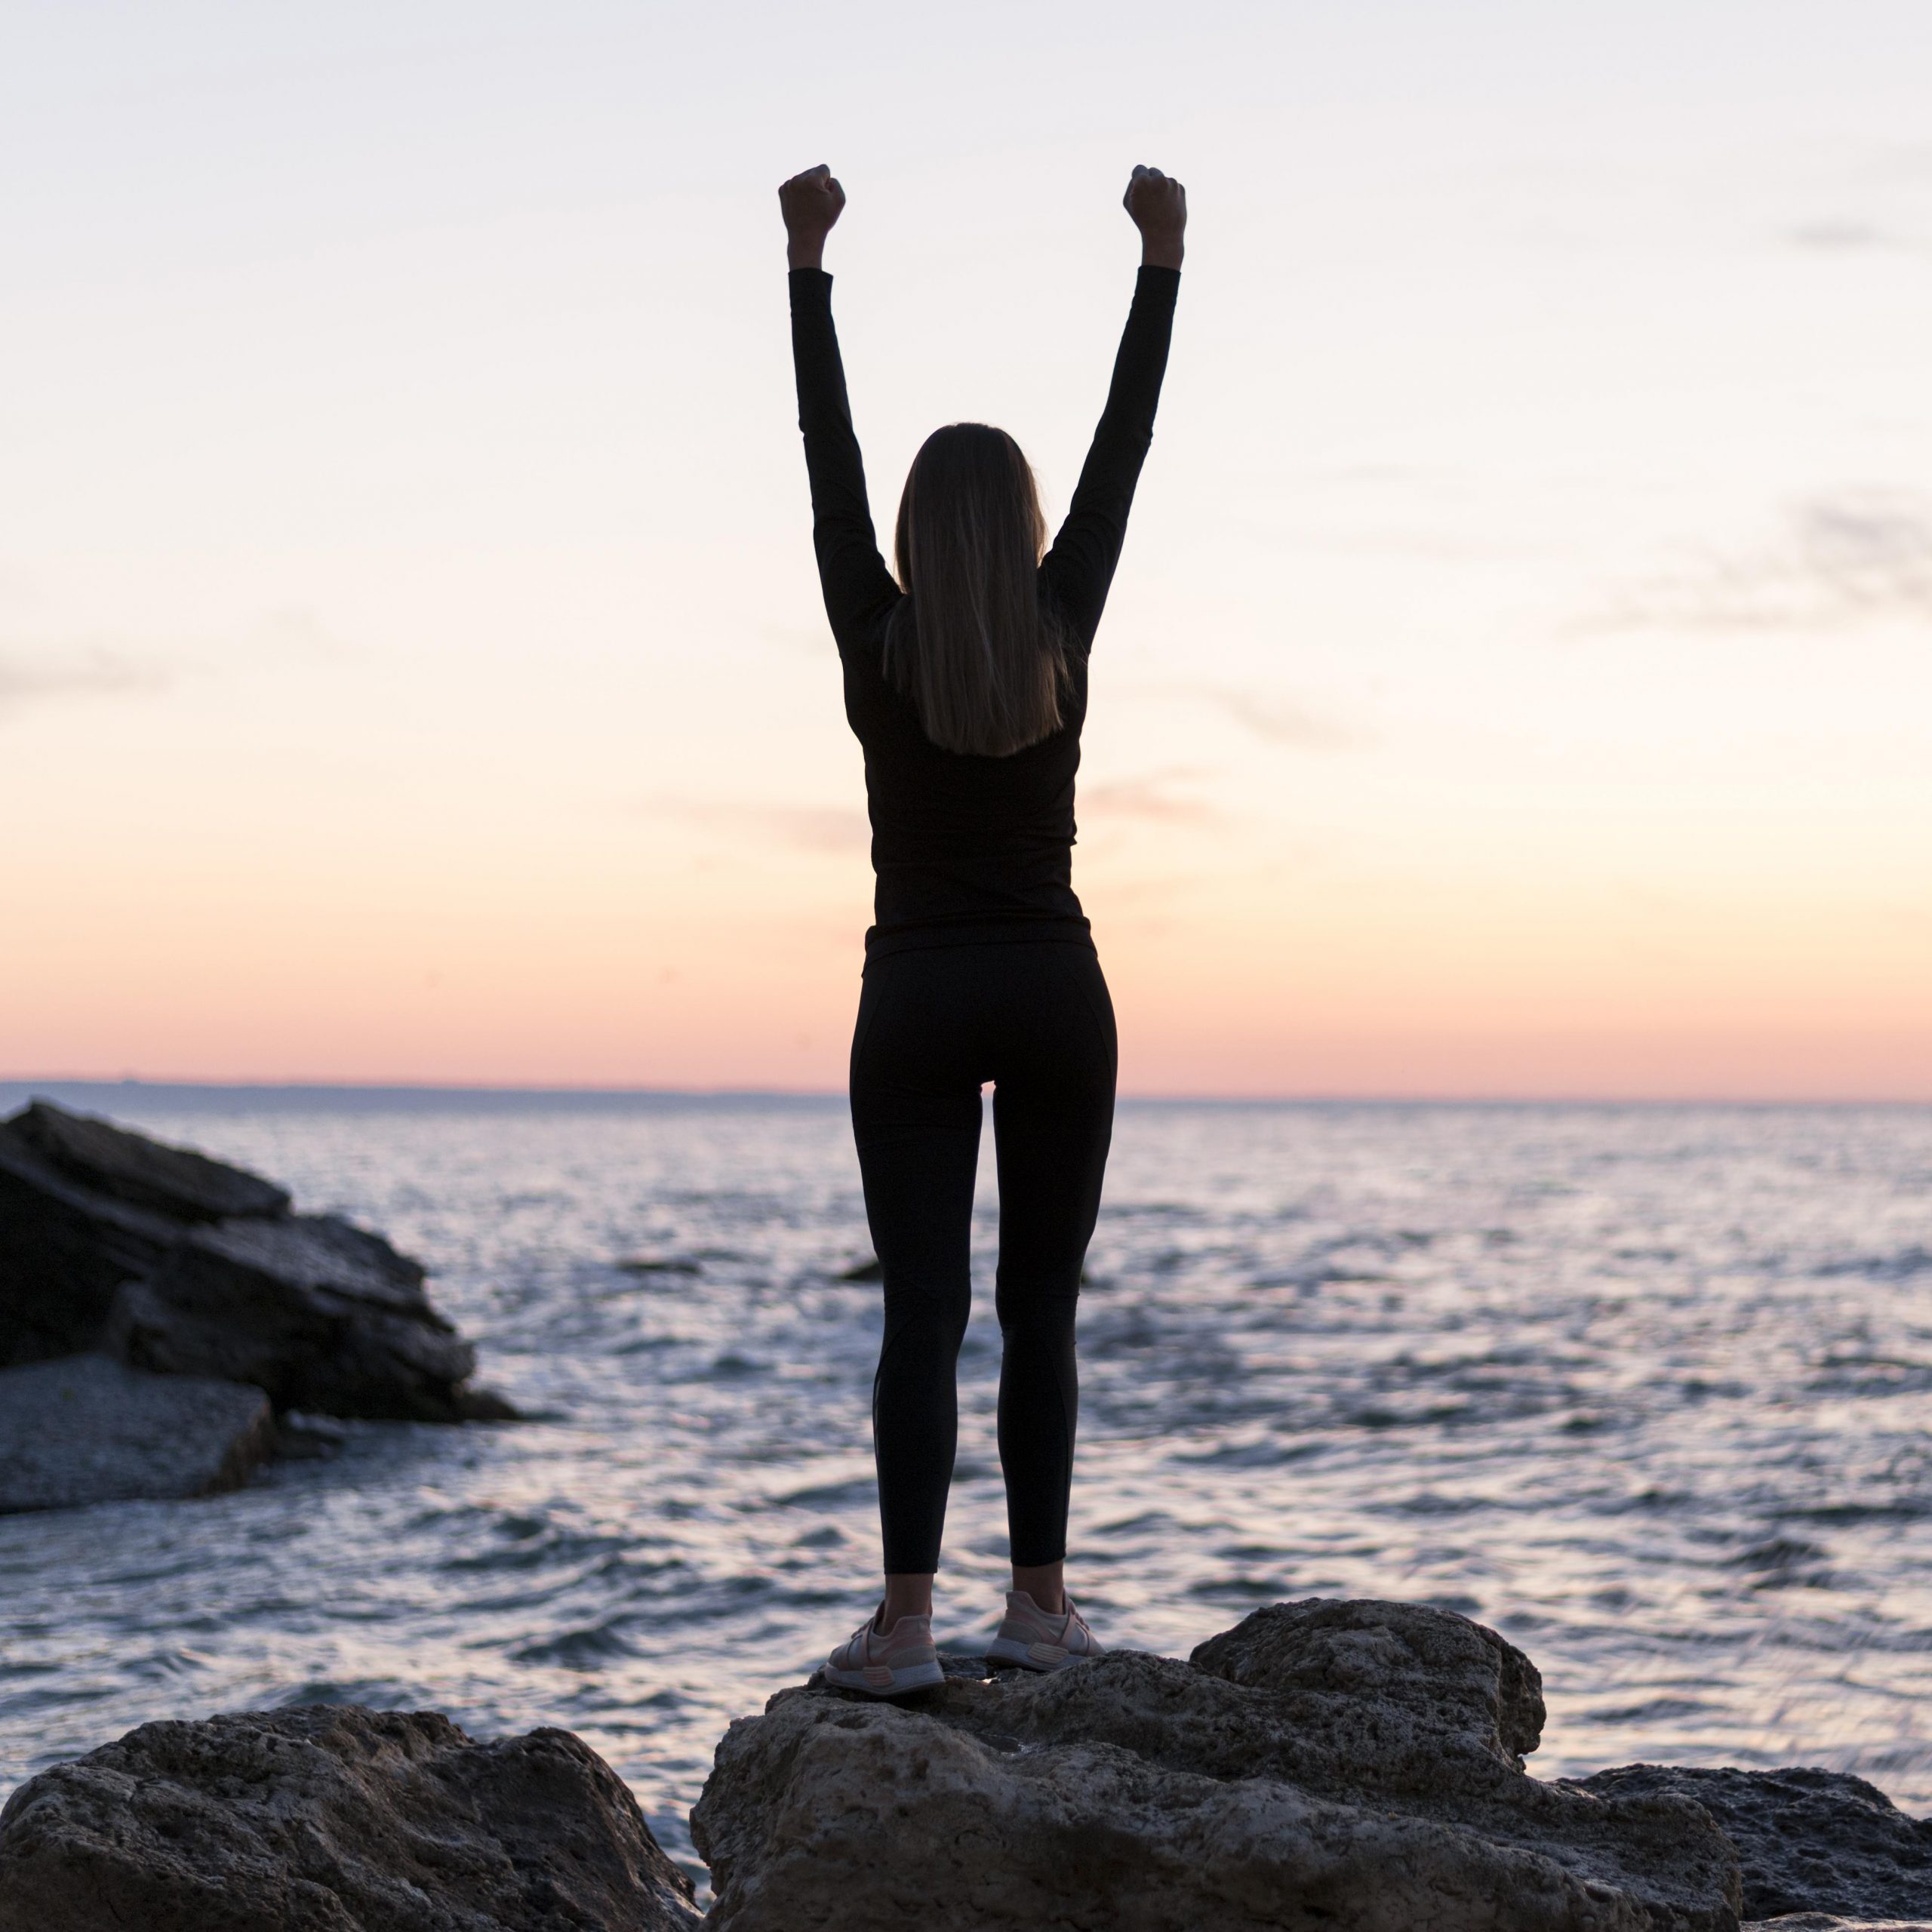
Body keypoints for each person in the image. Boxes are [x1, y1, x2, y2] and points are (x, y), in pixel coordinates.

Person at [778, 160, 1184, 1694]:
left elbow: (824, 450)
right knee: (1037, 1309)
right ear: (1016, 529)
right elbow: (1121, 448)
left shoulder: (871, 638)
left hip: (916, 995)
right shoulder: (1059, 620)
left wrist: (807, 266)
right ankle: (1038, 1606)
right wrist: (1161, 262)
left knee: (922, 1312)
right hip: (1055, 984)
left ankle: (899, 1626)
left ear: (906, 533)